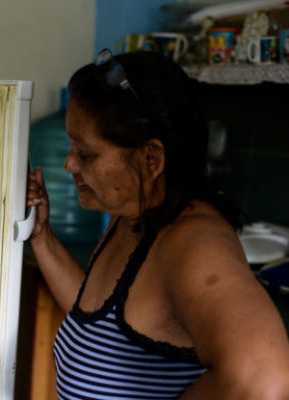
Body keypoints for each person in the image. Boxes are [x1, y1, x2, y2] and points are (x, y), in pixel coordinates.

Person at [26, 49, 289, 399]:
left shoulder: (193, 243)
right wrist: (42, 237)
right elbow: (96, 317)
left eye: (85, 153)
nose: (69, 164)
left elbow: (265, 377)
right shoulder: (133, 217)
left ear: (151, 159)